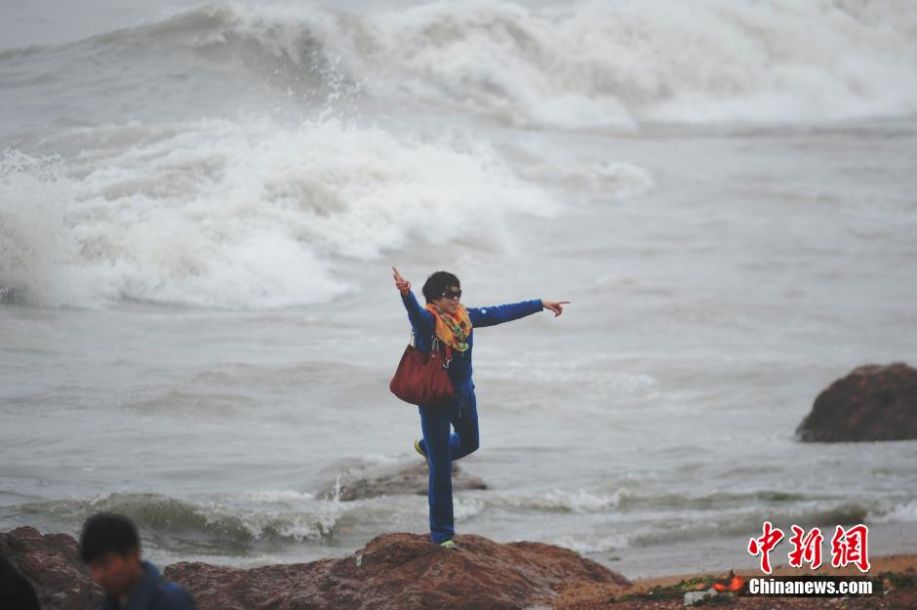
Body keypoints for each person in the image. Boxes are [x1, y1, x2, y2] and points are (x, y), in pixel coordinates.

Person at [392, 267, 569, 548]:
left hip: (464, 398)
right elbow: (414, 312)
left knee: (471, 443)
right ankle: (442, 535)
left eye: (458, 293)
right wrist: (405, 294)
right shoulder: (427, 322)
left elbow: (500, 312)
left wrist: (540, 304)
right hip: (435, 403)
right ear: (435, 299)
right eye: (449, 294)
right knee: (441, 470)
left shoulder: (465, 319)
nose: (455, 298)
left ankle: (427, 447)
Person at [79, 513, 197, 610]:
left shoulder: (172, 601)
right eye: (93, 567)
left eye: (106, 564)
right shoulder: (110, 603)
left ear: (134, 556)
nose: (99, 576)